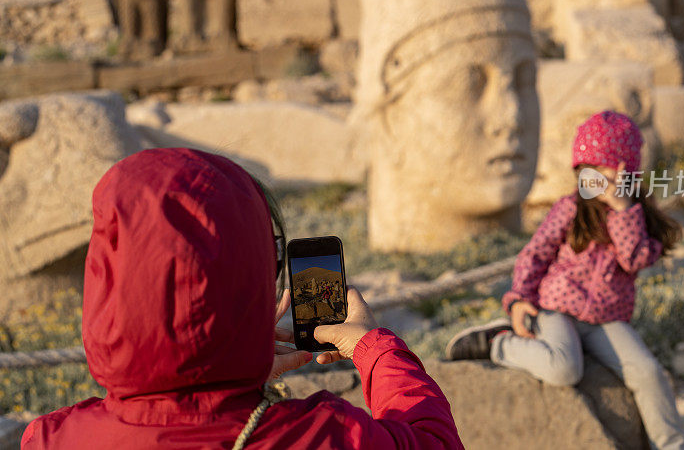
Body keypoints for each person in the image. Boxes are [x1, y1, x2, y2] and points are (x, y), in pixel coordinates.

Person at [21, 148, 463, 450]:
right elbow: (433, 440)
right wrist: (374, 346)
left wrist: (222, 370)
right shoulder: (322, 436)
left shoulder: (50, 438)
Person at [445, 111, 684, 450]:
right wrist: (518, 300)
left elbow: (634, 259)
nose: (601, 179)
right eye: (592, 170)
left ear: (627, 172)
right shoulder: (570, 208)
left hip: (606, 320)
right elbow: (535, 254)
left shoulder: (636, 213)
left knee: (648, 372)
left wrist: (622, 211)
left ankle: (673, 445)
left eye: (610, 169)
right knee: (564, 369)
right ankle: (499, 343)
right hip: (555, 309)